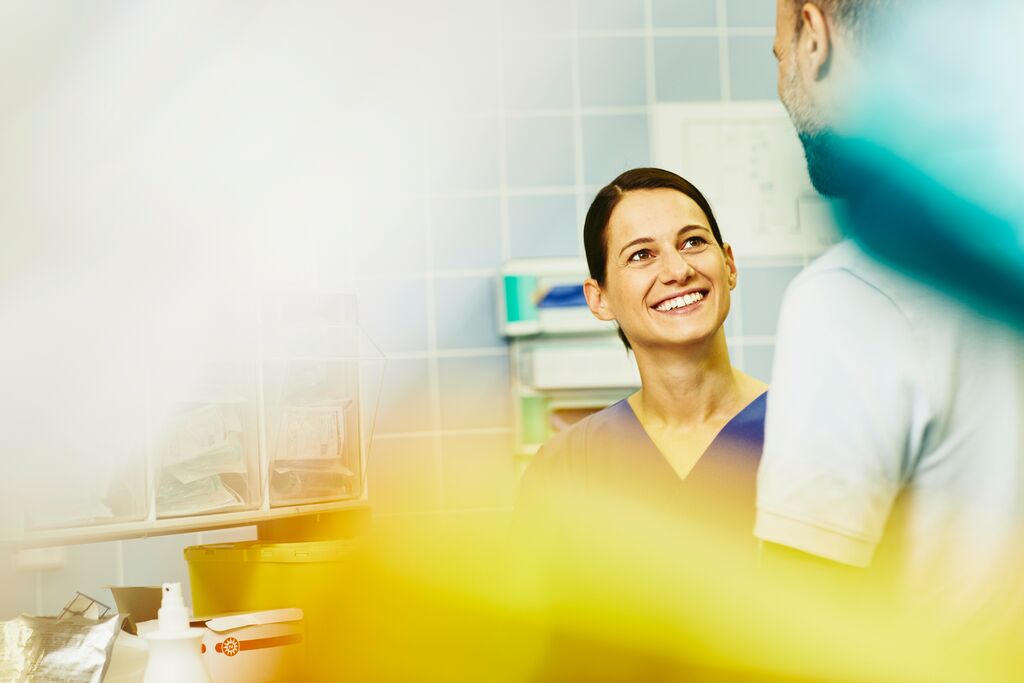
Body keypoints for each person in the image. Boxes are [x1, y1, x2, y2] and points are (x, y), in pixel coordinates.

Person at [756, 0, 1024, 616]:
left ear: (814, 36)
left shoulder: (846, 296)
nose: (780, 85)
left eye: (780, 55)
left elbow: (800, 616)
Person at [517, 167, 768, 564]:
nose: (677, 271)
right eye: (641, 255)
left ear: (729, 265)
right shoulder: (565, 467)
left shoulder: (805, 436)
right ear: (599, 298)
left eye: (692, 242)